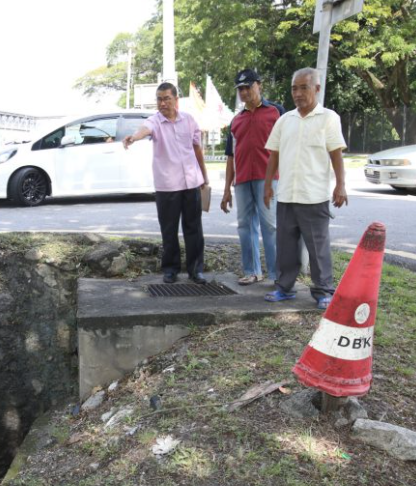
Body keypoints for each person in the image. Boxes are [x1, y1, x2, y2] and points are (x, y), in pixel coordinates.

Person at [262, 67, 348, 309]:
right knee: (286, 247)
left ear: (317, 89)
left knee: (318, 248)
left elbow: (336, 154)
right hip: (288, 194)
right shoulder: (284, 120)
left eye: (304, 88)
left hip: (314, 195)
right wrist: (268, 185)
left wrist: (340, 185)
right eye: (294, 88)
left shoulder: (328, 118)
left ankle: (323, 291)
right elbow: (274, 156)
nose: (298, 93)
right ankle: (285, 288)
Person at [123, 83, 210, 284]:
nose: (162, 103)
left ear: (176, 100)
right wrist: (134, 138)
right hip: (167, 185)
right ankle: (170, 269)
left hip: (191, 183)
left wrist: (204, 177)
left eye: (166, 98)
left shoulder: (188, 120)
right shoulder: (155, 121)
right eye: (159, 99)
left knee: (194, 229)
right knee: (169, 229)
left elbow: (197, 149)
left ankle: (196, 270)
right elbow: (144, 129)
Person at [220, 68, 285, 286]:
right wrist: (227, 189)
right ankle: (251, 271)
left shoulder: (276, 112)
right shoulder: (236, 120)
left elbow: (286, 146)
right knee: (244, 226)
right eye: (240, 89)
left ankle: (277, 275)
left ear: (259, 85)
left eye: (248, 87)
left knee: (270, 226)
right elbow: (231, 156)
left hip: (268, 178)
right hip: (242, 180)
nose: (244, 92)